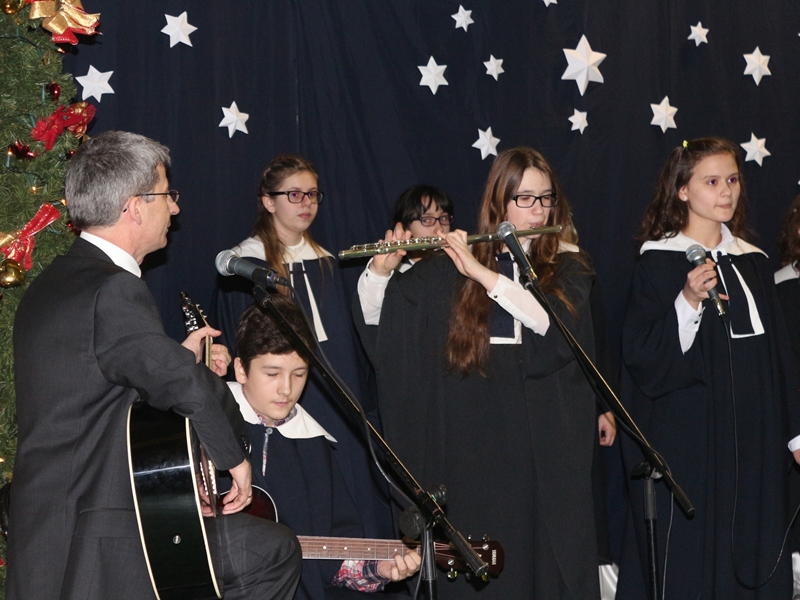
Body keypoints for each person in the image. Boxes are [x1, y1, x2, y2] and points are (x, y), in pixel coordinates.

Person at [6, 131, 301, 600]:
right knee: (273, 550)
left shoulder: (51, 284)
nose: (176, 209)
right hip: (99, 528)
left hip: (47, 526)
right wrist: (234, 456)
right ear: (135, 206)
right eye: (168, 195)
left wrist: (176, 357)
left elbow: (95, 387)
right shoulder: (113, 288)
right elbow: (182, 383)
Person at [356, 147, 603, 599]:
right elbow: (392, 333)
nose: (537, 210)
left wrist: (481, 273)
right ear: (498, 203)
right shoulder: (450, 268)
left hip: (542, 447)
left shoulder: (569, 265)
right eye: (524, 198)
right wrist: (379, 274)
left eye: (545, 198)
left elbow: (552, 322)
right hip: (472, 449)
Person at [616, 137, 800, 599]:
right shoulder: (657, 262)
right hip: (693, 442)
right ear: (682, 190)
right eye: (712, 181)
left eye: (732, 180)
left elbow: (781, 359)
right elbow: (644, 357)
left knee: (756, 544)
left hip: (756, 441)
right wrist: (688, 300)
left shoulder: (754, 262)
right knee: (696, 561)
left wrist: (796, 435)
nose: (726, 191)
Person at [211, 154, 392, 540]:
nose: (306, 203)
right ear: (268, 201)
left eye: (312, 194)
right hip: (286, 399)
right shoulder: (248, 264)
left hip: (335, 392)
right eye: (294, 194)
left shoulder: (325, 260)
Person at [227, 299, 421, 599]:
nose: (286, 389)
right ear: (241, 369)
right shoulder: (208, 423)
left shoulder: (314, 446)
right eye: (272, 373)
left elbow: (334, 559)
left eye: (299, 374)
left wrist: (379, 570)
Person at [357, 183, 453, 327]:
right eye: (427, 220)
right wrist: (379, 272)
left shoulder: (462, 264)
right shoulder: (397, 274)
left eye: (444, 218)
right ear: (404, 226)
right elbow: (369, 317)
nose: (439, 228)